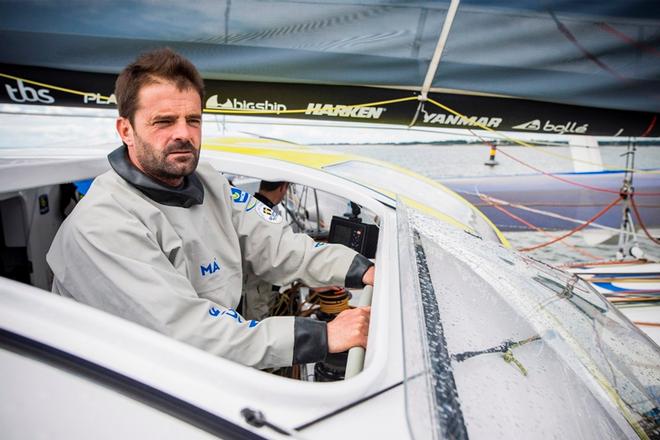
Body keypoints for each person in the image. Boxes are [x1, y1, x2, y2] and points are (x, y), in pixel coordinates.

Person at [47, 48, 374, 369]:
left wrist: (360, 269)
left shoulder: (207, 181)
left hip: (207, 363)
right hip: (135, 385)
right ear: (126, 131)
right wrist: (324, 336)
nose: (184, 134)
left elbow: (274, 245)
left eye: (193, 120)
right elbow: (187, 331)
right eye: (164, 121)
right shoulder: (102, 223)